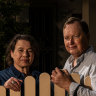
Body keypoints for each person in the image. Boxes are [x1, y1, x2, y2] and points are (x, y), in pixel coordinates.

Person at [51, 17, 96, 96]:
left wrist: (69, 85)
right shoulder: (69, 61)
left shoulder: (94, 61)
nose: (70, 42)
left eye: (76, 36)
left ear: (87, 36)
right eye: (66, 38)